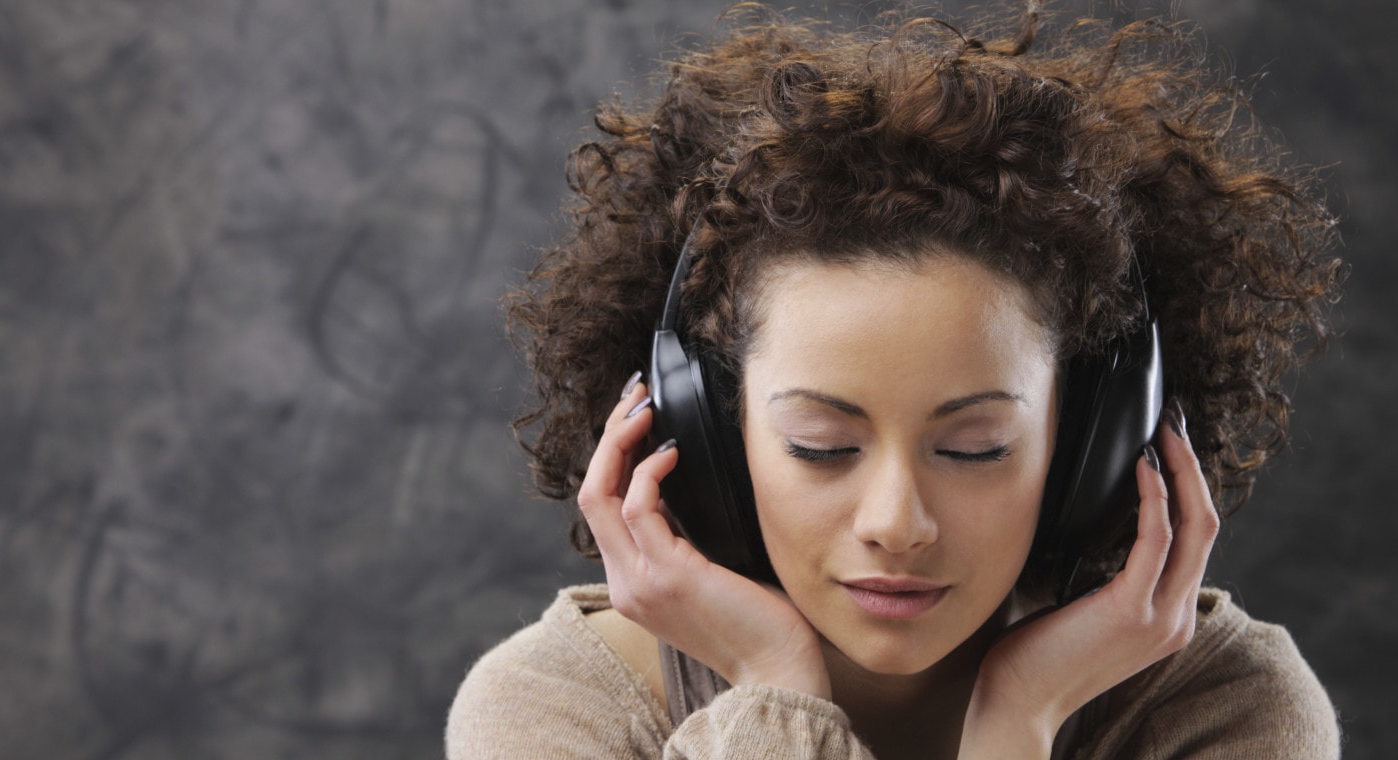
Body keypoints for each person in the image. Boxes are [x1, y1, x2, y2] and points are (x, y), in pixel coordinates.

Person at [449, 4, 1343, 758]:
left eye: (974, 448)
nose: (897, 525)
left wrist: (1020, 713)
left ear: (1092, 440)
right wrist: (774, 694)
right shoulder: (555, 709)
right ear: (709, 433)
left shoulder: (1225, 707)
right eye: (822, 447)